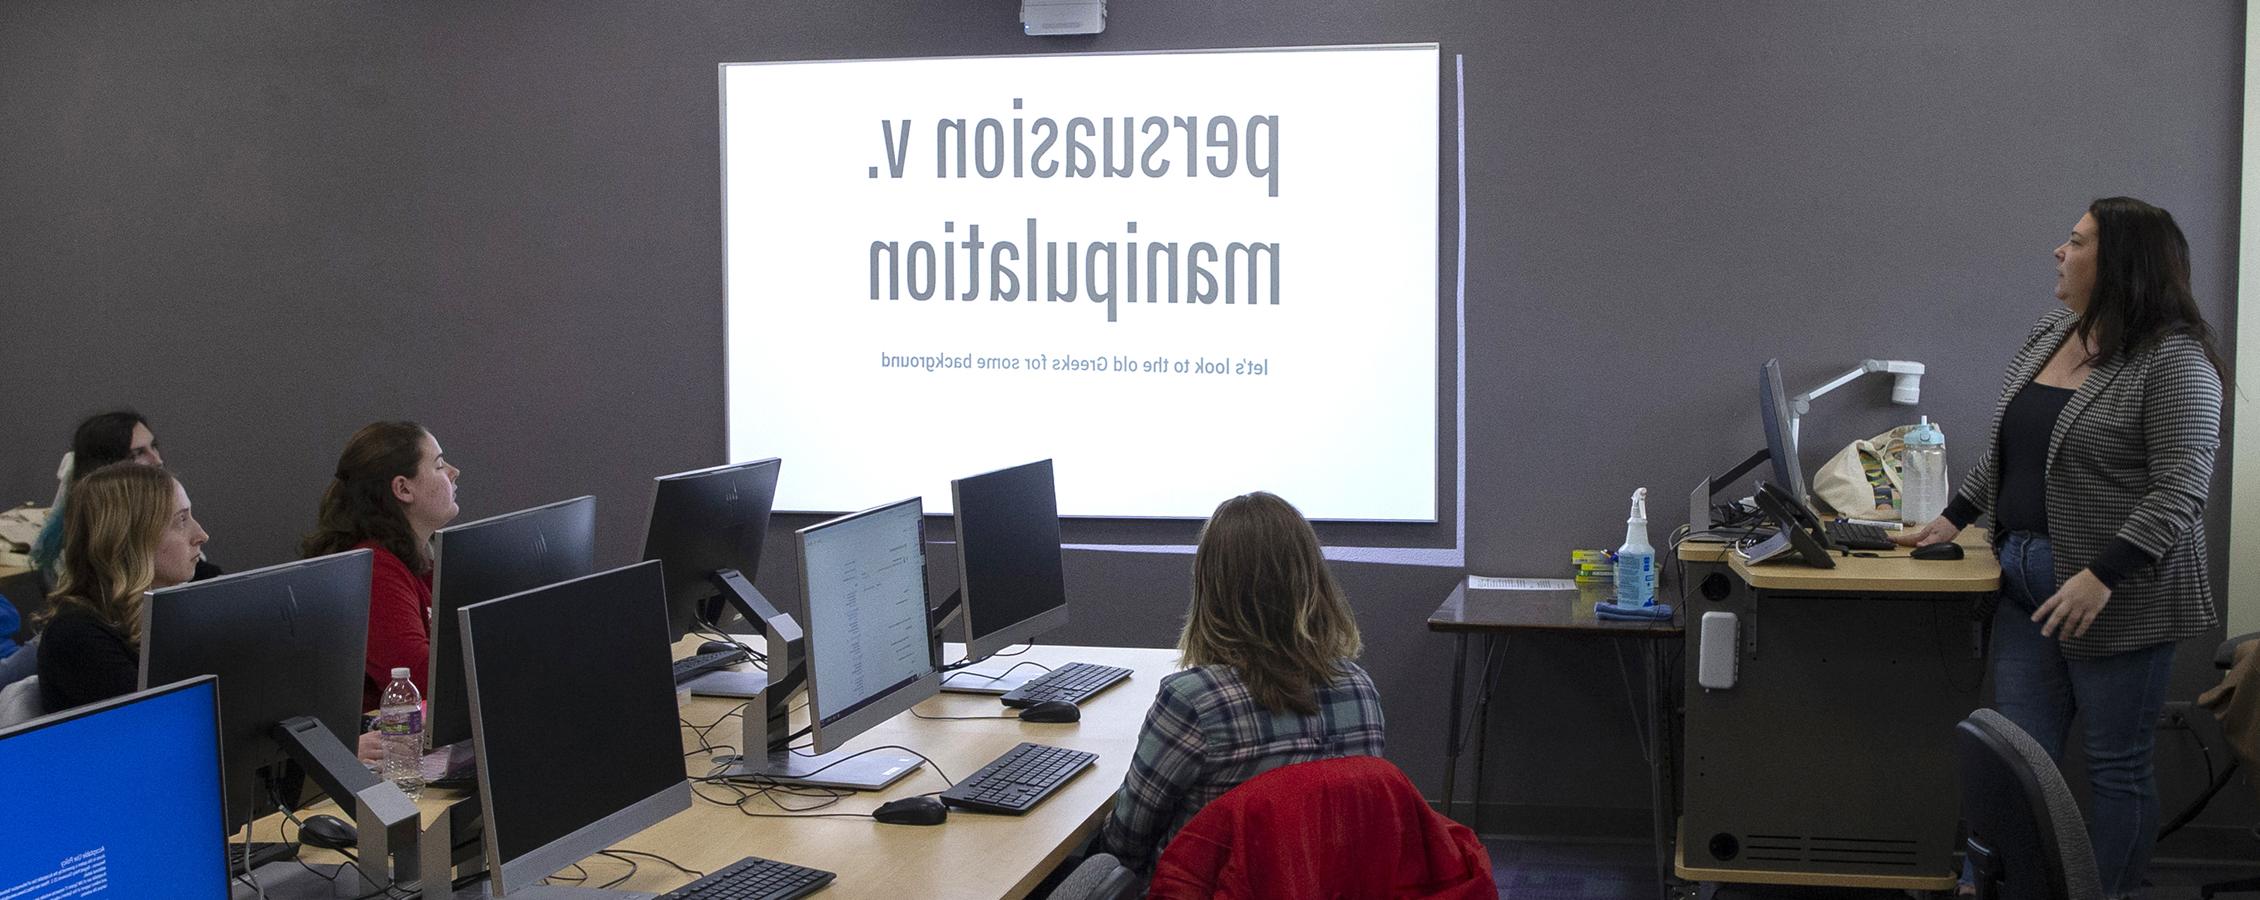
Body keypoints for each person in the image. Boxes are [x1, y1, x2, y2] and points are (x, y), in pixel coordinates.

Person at [1896, 197, 2225, 899]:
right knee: (2017, 759)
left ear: (2120, 265)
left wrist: (2102, 576)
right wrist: (1951, 519)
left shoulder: (2175, 360)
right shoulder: (2054, 332)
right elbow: (2012, 450)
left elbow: (2182, 487)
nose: (2058, 251)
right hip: (2024, 578)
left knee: (2116, 766)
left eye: (2075, 242)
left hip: (2116, 593)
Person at [1094, 491, 1385, 874]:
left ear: (1210, 587)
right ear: (1314, 581)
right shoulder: (1360, 691)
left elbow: (1124, 847)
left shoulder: (1193, 704)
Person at [302, 421, 461, 713]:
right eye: (439, 466)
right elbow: (424, 679)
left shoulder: (418, 559)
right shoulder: (375, 570)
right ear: (403, 488)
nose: (454, 472)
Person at [34, 463, 210, 713]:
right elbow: (160, 724)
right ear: (129, 537)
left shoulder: (160, 612)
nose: (201, 535)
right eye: (181, 520)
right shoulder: (76, 637)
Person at [27, 410, 168, 578]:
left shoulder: (162, 507)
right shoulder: (91, 543)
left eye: (154, 447)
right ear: (108, 467)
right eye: (138, 453)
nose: (157, 461)